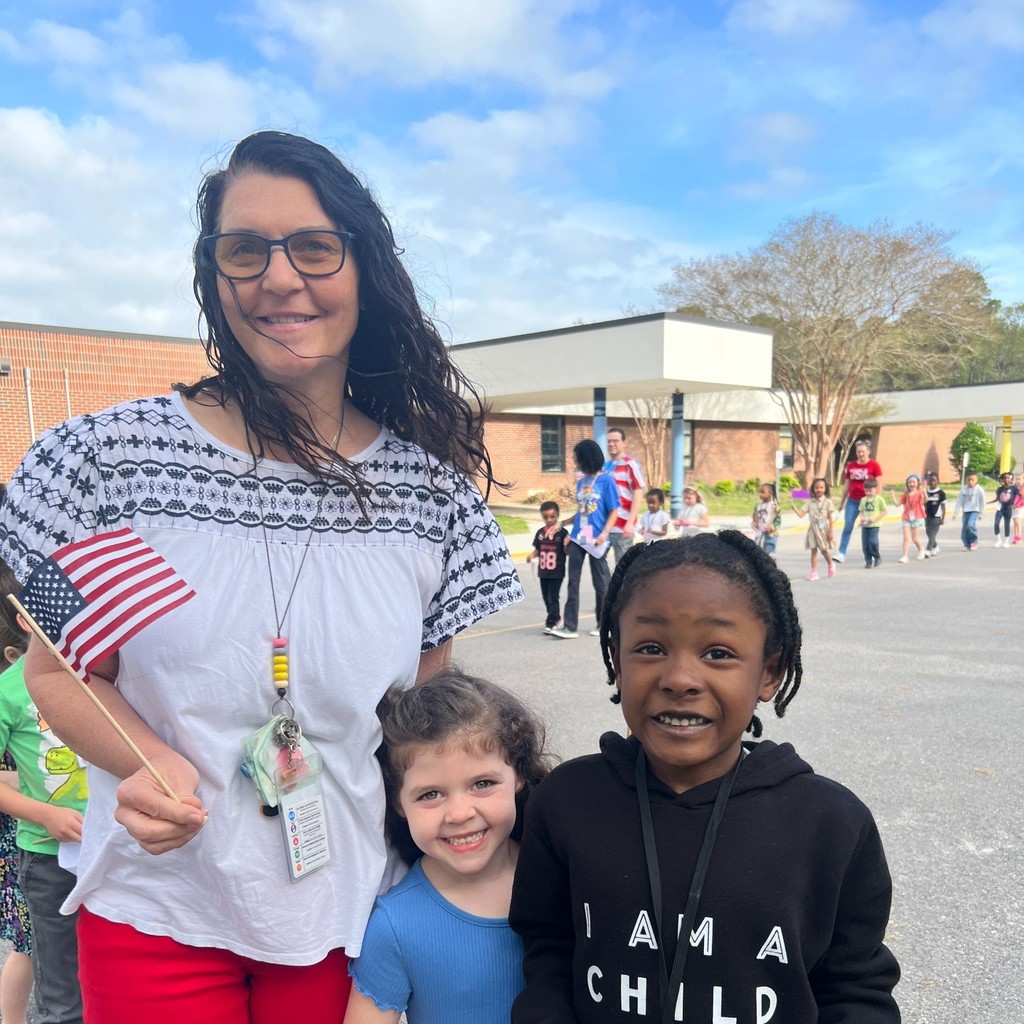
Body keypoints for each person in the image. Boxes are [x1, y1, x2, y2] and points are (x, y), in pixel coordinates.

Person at [0, 130, 522, 1023]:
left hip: (348, 908)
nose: (279, 279)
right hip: (158, 904)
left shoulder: (434, 500)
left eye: (315, 247)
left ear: (366, 268)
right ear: (214, 276)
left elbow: (419, 714)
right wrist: (147, 757)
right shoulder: (98, 464)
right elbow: (57, 668)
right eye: (244, 251)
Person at [509, 532, 901, 1023]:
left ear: (769, 673)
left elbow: (855, 990)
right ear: (616, 659)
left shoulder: (831, 825)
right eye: (650, 647)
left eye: (717, 653)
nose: (680, 678)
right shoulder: (566, 802)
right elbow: (548, 949)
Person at [344, 668, 551, 1024]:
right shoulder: (394, 925)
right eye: (431, 794)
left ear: (517, 774)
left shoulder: (562, 879)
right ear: (397, 803)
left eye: (482, 783)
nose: (458, 813)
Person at [0, 559, 86, 1024]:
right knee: (62, 995)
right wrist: (43, 813)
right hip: (49, 857)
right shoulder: (8, 691)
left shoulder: (99, 679)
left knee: (110, 974)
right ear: (25, 620)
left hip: (114, 850)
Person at [0, 559, 34, 1024]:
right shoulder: (13, 690)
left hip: (31, 830)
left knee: (30, 944)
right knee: (28, 945)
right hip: (26, 834)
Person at [549, 440, 618, 641]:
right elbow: (581, 512)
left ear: (587, 457)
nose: (574, 460)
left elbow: (614, 511)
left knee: (601, 584)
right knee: (573, 582)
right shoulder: (581, 482)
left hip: (597, 540)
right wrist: (563, 523)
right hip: (579, 537)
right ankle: (570, 627)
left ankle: (604, 624)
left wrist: (604, 534)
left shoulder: (607, 481)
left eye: (577, 456)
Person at [834, 440, 883, 563]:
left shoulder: (874, 465)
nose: (860, 454)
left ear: (868, 452)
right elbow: (846, 485)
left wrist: (876, 500)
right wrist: (841, 503)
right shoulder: (851, 466)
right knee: (848, 525)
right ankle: (841, 552)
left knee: (869, 529)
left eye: (862, 451)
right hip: (853, 501)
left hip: (868, 501)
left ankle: (872, 554)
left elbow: (879, 485)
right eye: (858, 452)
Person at [603, 428, 645, 566]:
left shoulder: (630, 465)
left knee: (622, 565)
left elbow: (638, 492)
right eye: (609, 441)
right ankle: (606, 588)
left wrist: (630, 522)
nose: (612, 444)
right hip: (605, 525)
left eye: (615, 441)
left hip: (622, 525)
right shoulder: (605, 467)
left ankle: (622, 588)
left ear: (624, 443)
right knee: (599, 562)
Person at [525, 502, 569, 634]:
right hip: (543, 571)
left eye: (552, 517)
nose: (549, 520)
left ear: (558, 515)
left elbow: (567, 552)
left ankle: (552, 622)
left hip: (557, 571)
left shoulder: (562, 533)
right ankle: (555, 617)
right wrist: (531, 556)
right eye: (546, 517)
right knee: (546, 597)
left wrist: (567, 544)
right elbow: (538, 549)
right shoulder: (540, 533)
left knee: (553, 597)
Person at [792, 477, 835, 580]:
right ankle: (814, 572)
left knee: (824, 550)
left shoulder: (828, 502)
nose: (819, 489)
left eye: (821, 487)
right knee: (813, 550)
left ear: (825, 489)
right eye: (816, 488)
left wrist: (830, 532)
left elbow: (830, 518)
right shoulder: (809, 502)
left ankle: (831, 564)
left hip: (823, 528)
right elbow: (801, 514)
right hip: (812, 529)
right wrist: (795, 509)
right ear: (813, 489)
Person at [889, 474, 926, 563]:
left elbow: (925, 501)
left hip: (916, 517)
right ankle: (905, 556)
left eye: (913, 482)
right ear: (907, 484)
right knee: (906, 538)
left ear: (917, 483)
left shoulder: (919, 493)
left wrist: (925, 493)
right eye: (910, 482)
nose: (911, 484)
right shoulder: (905, 495)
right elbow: (898, 505)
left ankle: (921, 549)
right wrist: (893, 496)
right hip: (906, 517)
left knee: (915, 538)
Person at [952, 472, 986, 551]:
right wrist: (955, 513)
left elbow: (982, 502)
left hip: (974, 510)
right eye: (969, 480)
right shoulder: (963, 490)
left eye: (972, 480)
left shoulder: (979, 490)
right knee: (964, 528)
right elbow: (959, 501)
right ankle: (967, 544)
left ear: (976, 481)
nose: (970, 481)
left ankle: (974, 541)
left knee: (970, 525)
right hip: (966, 511)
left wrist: (981, 514)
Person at [858, 478, 887, 568]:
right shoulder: (863, 500)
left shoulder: (879, 499)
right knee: (865, 545)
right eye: (866, 491)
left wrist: (875, 518)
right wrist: (862, 518)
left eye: (870, 490)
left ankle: (877, 557)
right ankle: (868, 560)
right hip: (865, 525)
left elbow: (884, 511)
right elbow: (861, 510)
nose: (868, 493)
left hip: (874, 525)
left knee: (872, 542)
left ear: (876, 489)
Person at [751, 482, 781, 557]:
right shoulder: (758, 506)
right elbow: (755, 516)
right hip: (760, 532)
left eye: (763, 492)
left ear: (770, 493)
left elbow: (778, 519)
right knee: (757, 551)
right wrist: (755, 522)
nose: (760, 494)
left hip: (770, 534)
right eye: (760, 492)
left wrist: (772, 527)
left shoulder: (774, 506)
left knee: (766, 555)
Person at [989, 472, 1019, 547]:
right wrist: (988, 502)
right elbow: (997, 498)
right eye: (1004, 478)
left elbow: (1018, 497)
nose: (1006, 479)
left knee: (1006, 525)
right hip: (1000, 508)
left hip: (1008, 508)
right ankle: (998, 540)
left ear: (1011, 479)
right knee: (996, 523)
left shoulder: (1014, 488)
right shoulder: (1000, 489)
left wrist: (1015, 504)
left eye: (1008, 478)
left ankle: (1006, 541)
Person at [923, 472, 946, 557]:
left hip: (936, 517)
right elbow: (924, 503)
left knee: (933, 533)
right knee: (928, 533)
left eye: (934, 480)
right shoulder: (926, 492)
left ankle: (928, 550)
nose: (932, 482)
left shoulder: (941, 493)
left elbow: (943, 507)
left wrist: (943, 518)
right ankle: (935, 546)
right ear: (928, 482)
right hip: (927, 516)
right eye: (930, 480)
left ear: (938, 481)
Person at [1012, 473, 1024, 545]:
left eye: (1019, 479)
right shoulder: (1015, 488)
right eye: (1016, 479)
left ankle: (1019, 537)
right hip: (1014, 507)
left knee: (1018, 521)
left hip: (1020, 507)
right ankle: (1016, 536)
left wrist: (1016, 504)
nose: (1017, 481)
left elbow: (1022, 498)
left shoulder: (1022, 488)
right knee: (1014, 522)